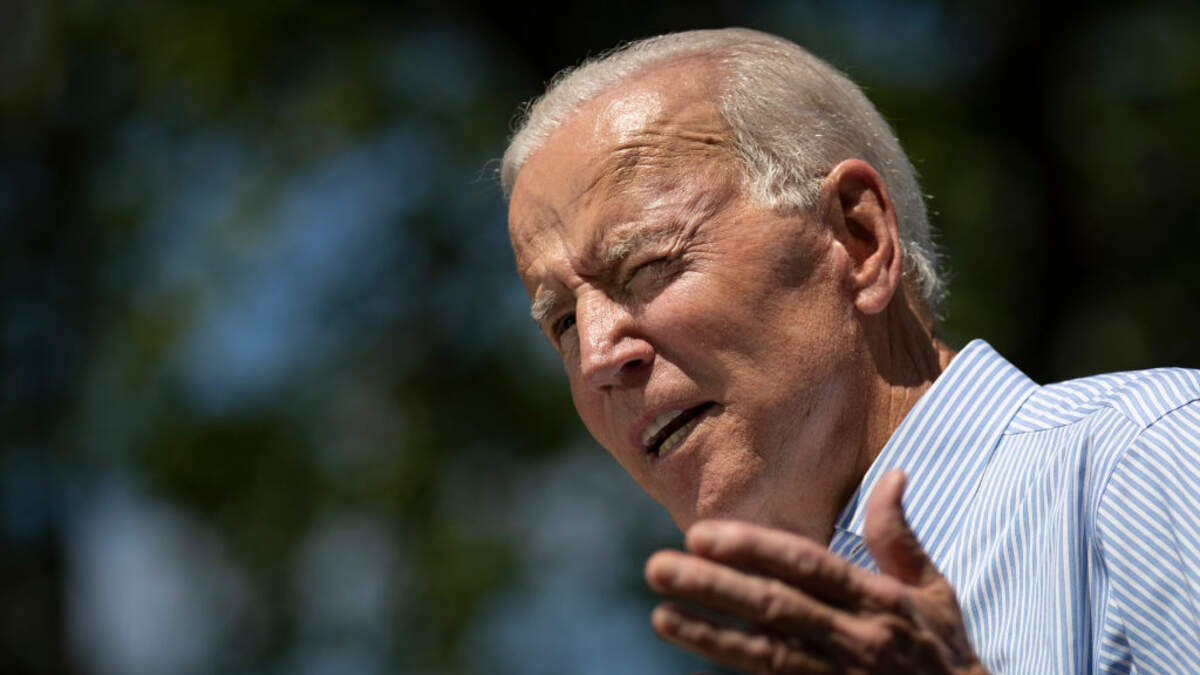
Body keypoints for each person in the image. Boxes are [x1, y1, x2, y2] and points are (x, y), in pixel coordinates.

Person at [501, 27, 1200, 673]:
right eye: (562, 323)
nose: (597, 356)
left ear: (858, 238)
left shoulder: (1148, 454)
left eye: (647, 266)